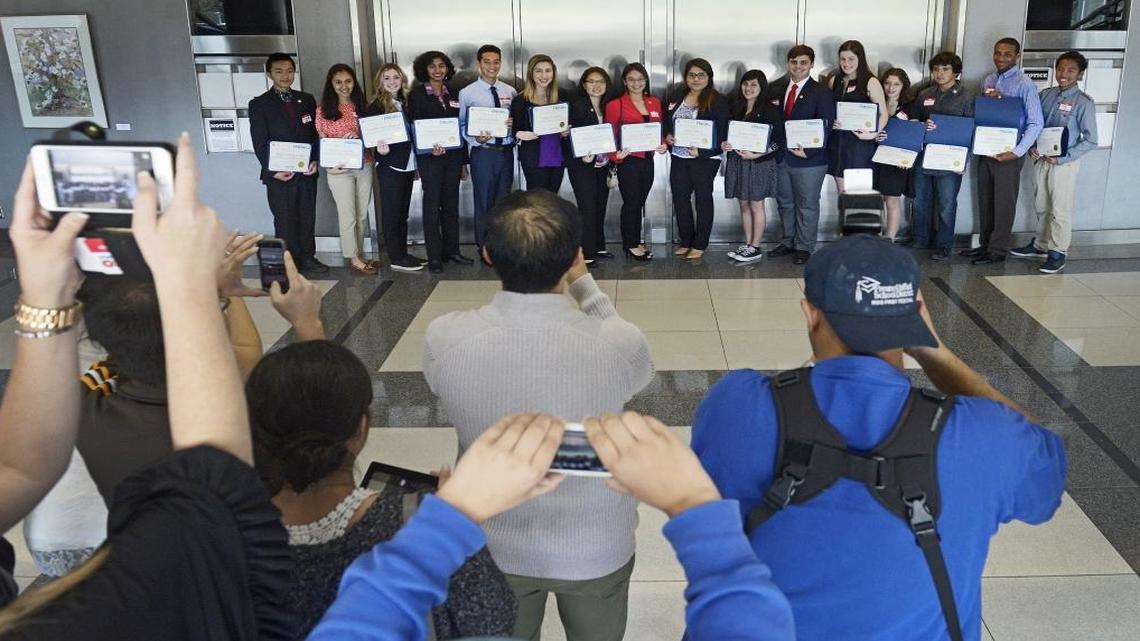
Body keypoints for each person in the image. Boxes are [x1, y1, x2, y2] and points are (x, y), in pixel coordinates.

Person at [692, 235, 1066, 641]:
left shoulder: (737, 405)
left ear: (810, 313)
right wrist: (935, 353)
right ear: (916, 316)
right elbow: (1046, 477)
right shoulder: (987, 434)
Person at [0, 133, 293, 639]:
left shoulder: (89, 409)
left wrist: (48, 291)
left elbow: (22, 467)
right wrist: (194, 285)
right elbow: (210, 487)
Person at [308, 412, 797, 641]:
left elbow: (363, 617)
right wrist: (694, 504)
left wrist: (455, 511)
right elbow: (754, 626)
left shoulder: (446, 335)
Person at [424, 190, 654, 641]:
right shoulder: (619, 342)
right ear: (574, 257)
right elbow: (637, 376)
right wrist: (584, 285)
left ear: (487, 254)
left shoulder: (444, 337)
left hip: (490, 541)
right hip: (595, 539)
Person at [247, 340, 518, 640]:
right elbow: (493, 617)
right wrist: (453, 520)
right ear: (362, 428)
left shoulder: (221, 532)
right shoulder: (417, 526)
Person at [74, 239, 325, 506]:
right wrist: (307, 323)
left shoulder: (88, 411)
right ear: (203, 327)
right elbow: (319, 400)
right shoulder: (243, 415)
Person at [1011, 51, 1098, 274]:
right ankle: (1041, 244)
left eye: (1070, 70)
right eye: (1060, 69)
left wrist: (1063, 158)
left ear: (1080, 74)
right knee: (1041, 204)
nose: (1063, 74)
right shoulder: (1046, 95)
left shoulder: (1083, 102)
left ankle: (1058, 252)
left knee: (1060, 209)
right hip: (1041, 159)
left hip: (1063, 164)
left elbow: (1091, 140)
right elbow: (1035, 125)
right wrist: (1031, 147)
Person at [964, 37, 1044, 265]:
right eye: (997, 53)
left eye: (1007, 54)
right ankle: (985, 246)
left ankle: (997, 251)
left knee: (1003, 202)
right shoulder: (988, 80)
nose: (1001, 58)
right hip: (986, 150)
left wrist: (1018, 152)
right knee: (986, 198)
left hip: (1009, 153)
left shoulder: (1024, 84)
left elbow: (1035, 123)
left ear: (1017, 56)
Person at [249, 52, 328, 275]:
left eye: (289, 71)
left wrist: (315, 160)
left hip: (306, 172)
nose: (285, 75)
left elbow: (315, 134)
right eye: (279, 71)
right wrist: (273, 170)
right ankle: (289, 262)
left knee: (307, 216)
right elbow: (259, 142)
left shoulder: (306, 99)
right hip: (278, 175)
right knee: (284, 219)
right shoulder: (259, 104)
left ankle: (308, 258)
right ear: (269, 74)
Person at [768, 45, 837, 265]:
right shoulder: (776, 89)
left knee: (807, 203)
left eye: (803, 62)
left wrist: (810, 150)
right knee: (785, 202)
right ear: (788, 63)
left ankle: (804, 246)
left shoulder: (822, 92)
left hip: (810, 160)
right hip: (782, 156)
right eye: (794, 62)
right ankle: (788, 241)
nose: (798, 67)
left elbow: (826, 125)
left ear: (811, 65)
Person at [407, 50, 473, 274]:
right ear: (425, 69)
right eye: (433, 66)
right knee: (432, 206)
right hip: (430, 160)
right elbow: (415, 128)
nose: (438, 70)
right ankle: (434, 256)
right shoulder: (416, 95)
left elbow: (460, 127)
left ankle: (452, 250)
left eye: (442, 66)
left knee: (451, 205)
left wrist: (464, 161)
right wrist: (425, 153)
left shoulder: (454, 93)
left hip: (453, 158)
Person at [909, 52, 974, 261]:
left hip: (950, 160)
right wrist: (921, 126)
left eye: (945, 69)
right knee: (920, 200)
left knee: (946, 203)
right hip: (924, 156)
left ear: (956, 72)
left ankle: (944, 244)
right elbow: (914, 122)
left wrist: (965, 161)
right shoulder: (925, 94)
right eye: (936, 69)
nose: (940, 73)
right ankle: (920, 239)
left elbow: (973, 132)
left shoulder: (966, 97)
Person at [665, 58, 730, 261]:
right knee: (680, 198)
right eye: (692, 75)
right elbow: (668, 124)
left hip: (705, 159)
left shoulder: (717, 100)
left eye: (701, 75)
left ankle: (700, 243)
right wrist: (667, 137)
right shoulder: (677, 96)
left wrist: (701, 152)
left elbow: (723, 132)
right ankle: (686, 240)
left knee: (702, 199)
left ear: (709, 77)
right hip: (679, 156)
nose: (696, 79)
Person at [316, 63, 377, 275]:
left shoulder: (364, 107)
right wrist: (329, 168)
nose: (344, 86)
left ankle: (357, 253)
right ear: (331, 85)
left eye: (348, 81)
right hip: (338, 171)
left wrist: (359, 137)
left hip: (364, 165)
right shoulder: (322, 111)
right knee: (348, 214)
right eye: (338, 82)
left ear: (354, 83)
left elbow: (374, 137)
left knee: (361, 214)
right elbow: (321, 142)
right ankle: (353, 257)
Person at [604, 62, 668, 261]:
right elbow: (609, 134)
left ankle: (635, 240)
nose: (636, 83)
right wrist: (615, 155)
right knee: (631, 203)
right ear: (625, 81)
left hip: (648, 160)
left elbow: (660, 130)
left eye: (640, 79)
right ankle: (630, 244)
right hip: (628, 161)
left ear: (646, 81)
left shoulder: (654, 102)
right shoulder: (615, 105)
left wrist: (664, 143)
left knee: (639, 202)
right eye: (631, 79)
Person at [458, 44, 518, 251]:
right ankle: (484, 247)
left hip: (506, 152)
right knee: (483, 201)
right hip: (483, 153)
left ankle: (500, 246)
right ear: (478, 63)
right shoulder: (468, 93)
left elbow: (517, 120)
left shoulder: (509, 91)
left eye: (496, 61)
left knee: (504, 203)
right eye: (487, 61)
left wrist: (513, 124)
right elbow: (462, 125)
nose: (492, 66)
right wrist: (477, 139)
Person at [366, 63, 424, 272]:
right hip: (391, 166)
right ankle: (396, 257)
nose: (392, 82)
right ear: (380, 81)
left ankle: (403, 253)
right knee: (392, 213)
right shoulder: (375, 106)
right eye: (387, 78)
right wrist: (377, 148)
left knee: (402, 213)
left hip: (407, 164)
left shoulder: (405, 102)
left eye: (396, 77)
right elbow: (369, 136)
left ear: (402, 80)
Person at [722, 69, 784, 263]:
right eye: (745, 84)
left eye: (753, 85)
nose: (748, 88)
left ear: (761, 87)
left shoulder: (770, 110)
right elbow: (727, 135)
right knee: (743, 203)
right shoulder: (736, 107)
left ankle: (756, 246)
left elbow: (779, 141)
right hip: (738, 162)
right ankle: (748, 244)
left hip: (759, 163)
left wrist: (758, 153)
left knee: (756, 204)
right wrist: (725, 145)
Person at [566, 66, 615, 263]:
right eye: (591, 82)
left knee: (600, 205)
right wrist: (581, 156)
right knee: (586, 207)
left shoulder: (608, 106)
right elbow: (568, 136)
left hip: (603, 164)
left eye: (600, 82)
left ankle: (599, 246)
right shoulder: (577, 107)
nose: (596, 86)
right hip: (582, 166)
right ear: (584, 85)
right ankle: (585, 252)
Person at [827, 41, 889, 194]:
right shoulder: (834, 80)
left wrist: (872, 134)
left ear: (860, 59)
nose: (846, 63)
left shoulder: (870, 82)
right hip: (837, 144)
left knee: (858, 194)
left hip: (858, 146)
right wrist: (831, 121)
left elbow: (884, 114)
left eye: (851, 59)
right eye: (843, 59)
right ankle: (843, 219)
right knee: (842, 192)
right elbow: (828, 109)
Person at [510, 54, 570, 193]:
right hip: (533, 158)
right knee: (536, 200)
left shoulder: (562, 95)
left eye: (548, 70)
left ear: (553, 73)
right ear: (531, 73)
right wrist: (519, 134)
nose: (544, 75)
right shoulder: (521, 100)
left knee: (553, 199)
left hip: (557, 155)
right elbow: (512, 129)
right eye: (538, 71)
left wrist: (567, 131)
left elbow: (570, 122)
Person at [873, 68, 915, 240]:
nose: (891, 87)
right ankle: (875, 235)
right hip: (874, 157)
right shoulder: (875, 102)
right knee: (876, 199)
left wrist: (907, 159)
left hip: (896, 161)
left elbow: (913, 136)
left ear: (903, 86)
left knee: (891, 199)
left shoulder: (910, 107)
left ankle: (889, 238)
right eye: (887, 83)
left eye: (896, 84)